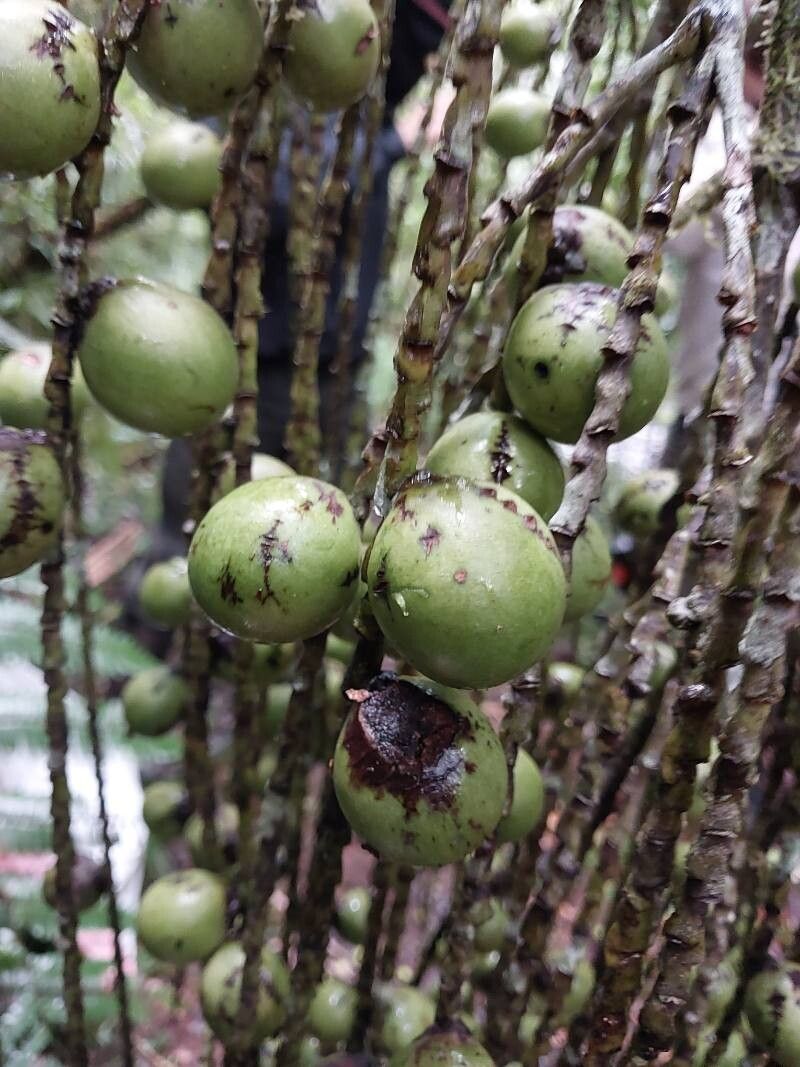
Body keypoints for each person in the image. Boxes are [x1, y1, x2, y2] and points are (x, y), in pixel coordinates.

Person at [158, 0, 454, 556]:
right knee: (197, 534)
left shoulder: (362, 110)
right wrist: (395, 144)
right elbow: (273, 203)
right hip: (245, 361)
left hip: (322, 370)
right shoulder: (267, 86)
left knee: (298, 549)